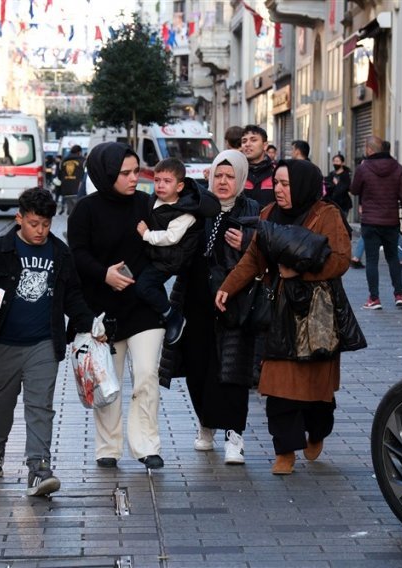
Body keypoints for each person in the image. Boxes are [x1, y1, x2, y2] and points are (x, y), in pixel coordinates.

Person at [215, 158, 351, 475]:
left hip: (316, 314)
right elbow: (253, 258)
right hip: (278, 310)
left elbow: (340, 260)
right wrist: (229, 286)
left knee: (316, 388)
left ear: (302, 185)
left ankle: (317, 430)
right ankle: (285, 451)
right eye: (276, 183)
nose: (278, 189)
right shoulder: (268, 215)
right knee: (277, 384)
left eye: (285, 184)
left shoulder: (326, 215)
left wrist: (300, 270)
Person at [0, 188, 100, 497]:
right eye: (34, 223)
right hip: (4, 343)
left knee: (40, 406)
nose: (40, 231)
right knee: (1, 402)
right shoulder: (0, 249)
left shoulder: (60, 253)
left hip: (43, 343)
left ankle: (39, 468)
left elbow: (74, 297)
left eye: (46, 224)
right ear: (20, 218)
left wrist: (90, 323)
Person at [67, 142, 166, 470]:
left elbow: (162, 247)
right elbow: (77, 255)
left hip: (143, 307)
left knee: (147, 374)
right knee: (107, 379)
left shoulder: (146, 203)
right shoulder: (85, 210)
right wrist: (105, 275)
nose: (134, 178)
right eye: (125, 173)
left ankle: (147, 445)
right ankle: (108, 449)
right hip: (102, 311)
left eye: (136, 171)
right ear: (106, 173)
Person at [159, 149, 260, 465]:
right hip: (195, 299)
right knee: (198, 368)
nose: (224, 181)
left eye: (230, 176)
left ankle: (235, 436)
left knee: (231, 371)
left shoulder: (251, 210)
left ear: (241, 178)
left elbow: (263, 252)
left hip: (235, 302)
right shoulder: (199, 208)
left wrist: (246, 243)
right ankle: (206, 423)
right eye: (219, 175)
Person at [135, 158, 218, 345]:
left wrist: (146, 234)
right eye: (157, 180)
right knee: (148, 285)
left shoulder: (185, 212)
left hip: (169, 261)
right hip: (156, 255)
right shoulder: (154, 200)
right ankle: (161, 314)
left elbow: (171, 237)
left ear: (179, 186)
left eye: (167, 181)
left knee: (144, 287)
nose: (160, 185)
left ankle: (172, 316)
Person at [350, 136, 402, 310]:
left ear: (370, 150)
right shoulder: (398, 168)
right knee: (393, 257)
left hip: (370, 221)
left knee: (371, 260)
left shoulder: (364, 168)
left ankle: (374, 299)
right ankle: (399, 294)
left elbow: (354, 189)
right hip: (391, 221)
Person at [241, 125, 275, 207]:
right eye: (244, 141)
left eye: (253, 140)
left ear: (265, 145)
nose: (247, 144)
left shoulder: (276, 172)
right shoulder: (236, 172)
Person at [58, 145, 84, 214]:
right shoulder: (82, 161)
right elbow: (84, 176)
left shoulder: (63, 161)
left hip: (66, 190)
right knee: (79, 212)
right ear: (79, 152)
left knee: (71, 212)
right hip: (78, 190)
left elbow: (59, 176)